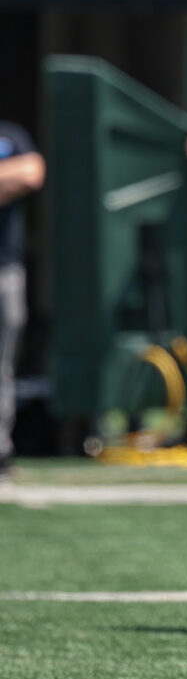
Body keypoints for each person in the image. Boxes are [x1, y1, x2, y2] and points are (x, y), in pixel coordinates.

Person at [0, 120, 43, 477]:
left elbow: (31, 173)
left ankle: (1, 452)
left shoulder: (12, 134)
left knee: (3, 365)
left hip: (5, 269)